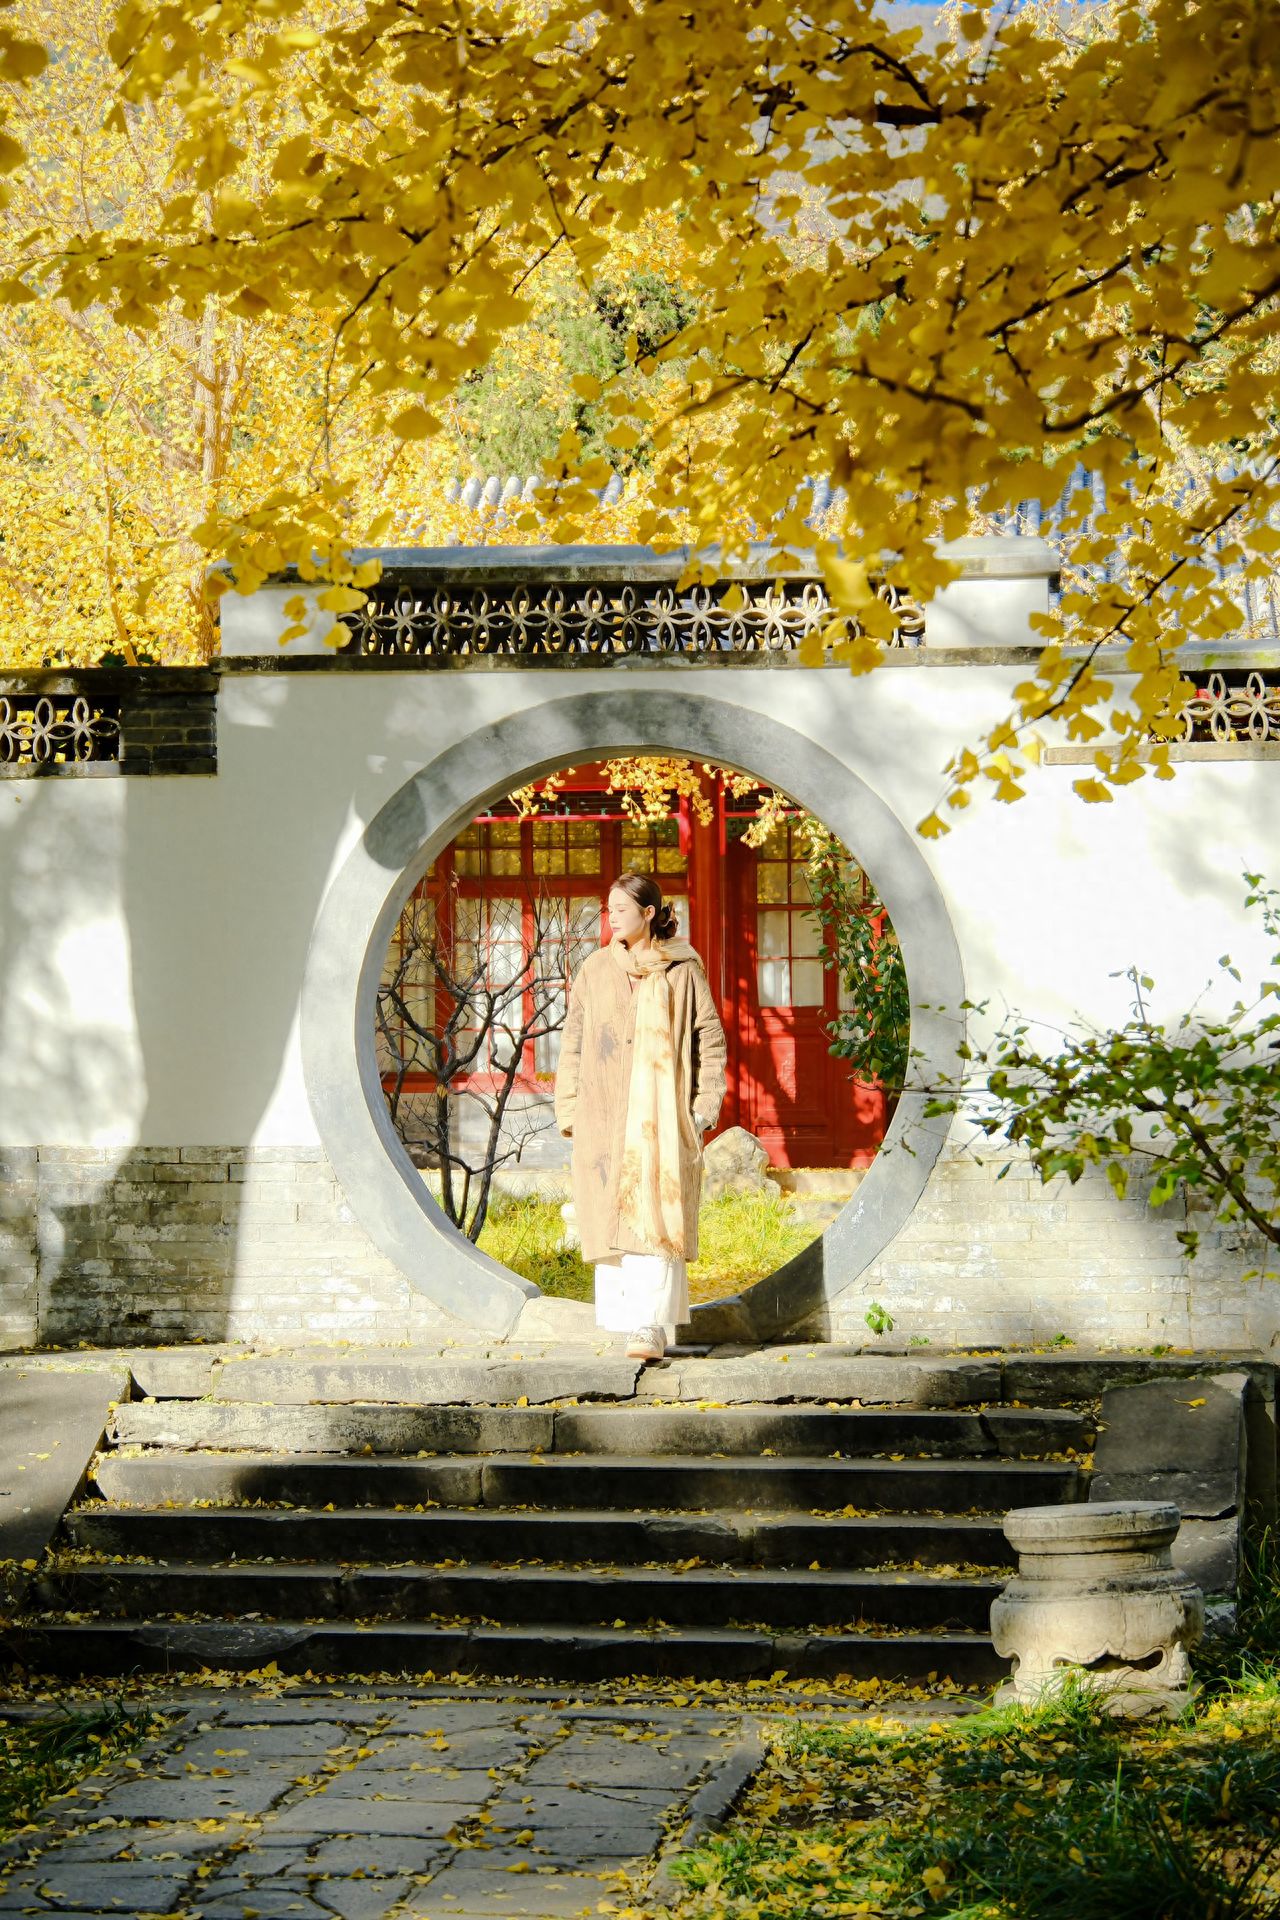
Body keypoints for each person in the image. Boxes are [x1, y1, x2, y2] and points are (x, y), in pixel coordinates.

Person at [554, 870, 727, 1361]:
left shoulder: (682, 970)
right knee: (612, 1215)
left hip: (662, 1118)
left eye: (622, 910)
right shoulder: (594, 970)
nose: (612, 918)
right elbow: (573, 1042)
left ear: (648, 914)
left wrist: (701, 1108)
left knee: (655, 1213)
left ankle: (649, 1326)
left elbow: (709, 1041)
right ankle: (630, 1322)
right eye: (609, 909)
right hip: (603, 1114)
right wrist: (569, 1108)